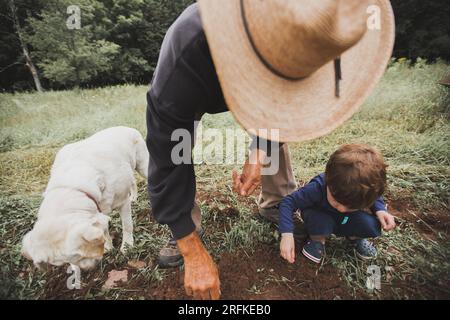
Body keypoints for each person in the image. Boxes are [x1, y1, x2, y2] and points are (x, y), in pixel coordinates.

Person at [146, 0, 395, 300]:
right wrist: (190, 249)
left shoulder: (315, 33)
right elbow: (166, 160)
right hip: (198, 83)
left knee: (276, 129)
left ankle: (276, 202)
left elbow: (283, 109)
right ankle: (186, 228)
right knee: (179, 148)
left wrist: (259, 153)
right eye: (277, 83)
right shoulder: (186, 56)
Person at [279, 144, 396, 264]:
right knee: (317, 219)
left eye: (351, 207)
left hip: (347, 220)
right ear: (329, 182)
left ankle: (355, 238)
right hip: (322, 215)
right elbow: (288, 202)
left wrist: (380, 210)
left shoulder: (365, 191)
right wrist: (287, 234)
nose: (341, 209)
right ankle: (317, 239)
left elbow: (374, 196)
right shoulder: (316, 187)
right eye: (336, 201)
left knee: (370, 224)